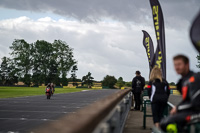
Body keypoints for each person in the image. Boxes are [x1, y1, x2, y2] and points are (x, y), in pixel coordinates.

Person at [160, 55, 200, 132]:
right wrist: (178, 107)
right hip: (190, 111)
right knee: (166, 121)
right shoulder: (182, 81)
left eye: (179, 64)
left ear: (187, 64)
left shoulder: (194, 79)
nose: (177, 67)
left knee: (166, 122)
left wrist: (177, 108)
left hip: (197, 112)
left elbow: (195, 103)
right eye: (175, 65)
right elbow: (186, 100)